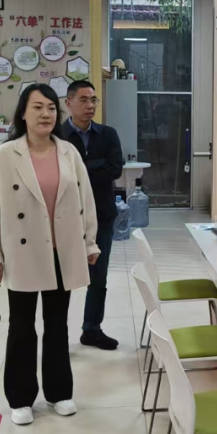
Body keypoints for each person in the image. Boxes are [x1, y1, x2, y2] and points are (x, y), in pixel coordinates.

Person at [0, 85, 99, 426]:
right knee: (21, 327)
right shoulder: (6, 155)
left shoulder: (68, 152)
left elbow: (85, 200)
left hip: (61, 252)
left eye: (50, 107)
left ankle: (59, 392)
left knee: (57, 325)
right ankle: (20, 398)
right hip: (22, 252)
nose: (46, 114)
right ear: (23, 113)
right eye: (37, 107)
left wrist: (90, 243)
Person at [59, 80, 124, 351]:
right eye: (84, 100)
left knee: (98, 276)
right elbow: (59, 175)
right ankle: (57, 334)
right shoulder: (58, 136)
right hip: (64, 219)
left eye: (93, 100)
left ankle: (92, 329)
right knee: (61, 279)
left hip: (101, 216)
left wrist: (81, 170)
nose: (90, 105)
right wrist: (96, 166)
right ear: (69, 103)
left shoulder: (108, 134)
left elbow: (115, 169)